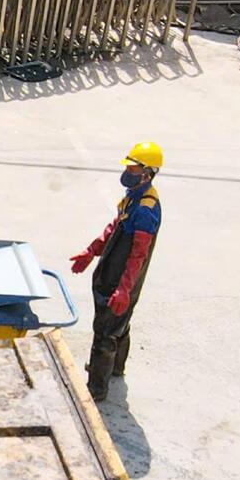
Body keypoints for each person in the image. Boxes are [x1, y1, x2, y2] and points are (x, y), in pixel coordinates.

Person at [70, 141, 163, 401]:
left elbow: (138, 253)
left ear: (148, 173)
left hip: (121, 277)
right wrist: (92, 251)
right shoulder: (134, 196)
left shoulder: (145, 209)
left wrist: (124, 288)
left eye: (133, 169)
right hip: (117, 272)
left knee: (105, 331)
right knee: (120, 323)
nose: (127, 172)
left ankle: (96, 388)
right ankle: (115, 368)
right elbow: (115, 226)